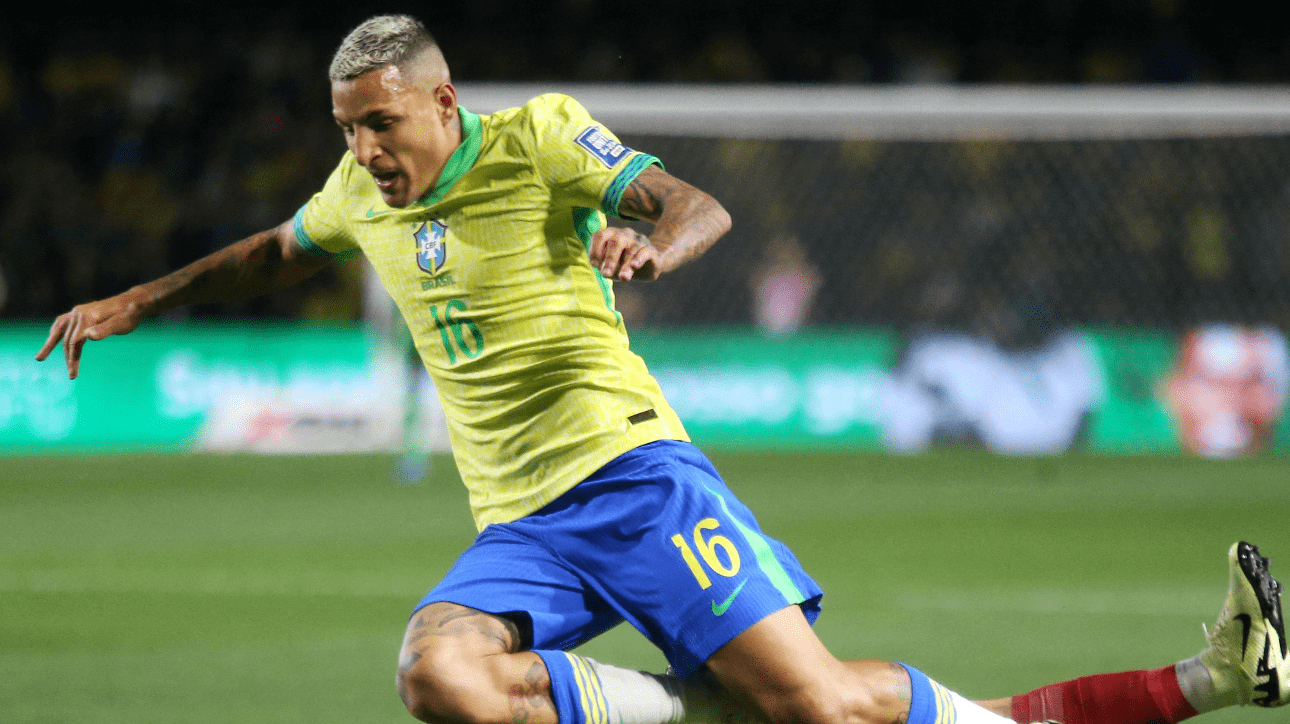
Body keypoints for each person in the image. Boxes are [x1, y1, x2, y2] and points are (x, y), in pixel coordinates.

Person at [36, 14, 1288, 724]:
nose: (363, 150)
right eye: (347, 130)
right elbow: (268, 250)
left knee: (827, 712)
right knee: (438, 673)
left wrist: (652, 241)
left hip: (635, 477)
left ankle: (1215, 677)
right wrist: (133, 300)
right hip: (521, 524)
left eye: (380, 123)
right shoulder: (356, 195)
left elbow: (697, 204)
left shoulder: (538, 137)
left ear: (442, 100)